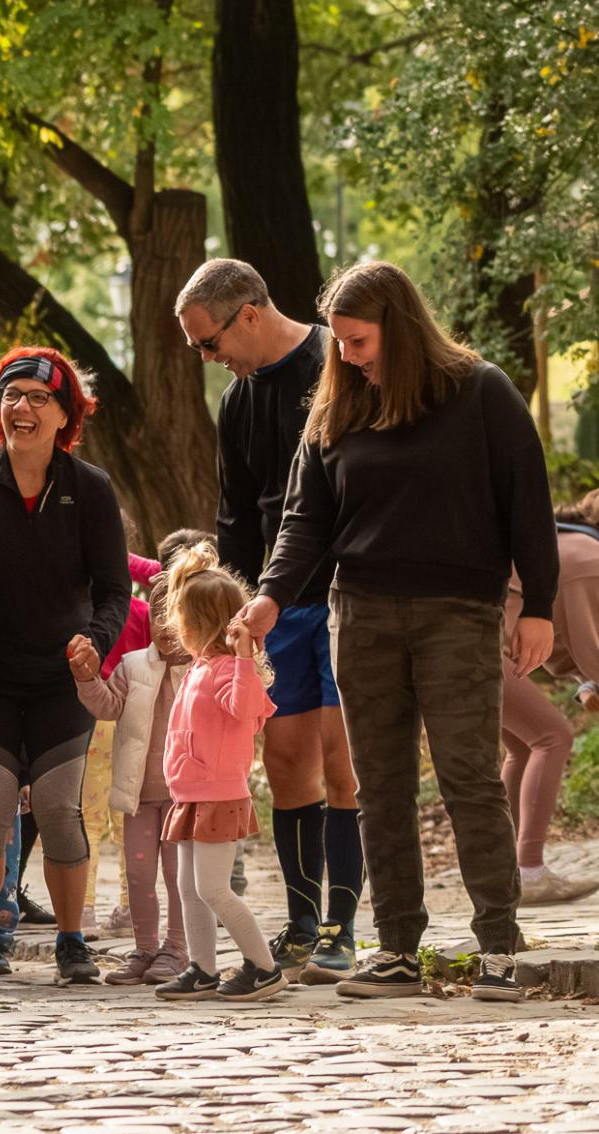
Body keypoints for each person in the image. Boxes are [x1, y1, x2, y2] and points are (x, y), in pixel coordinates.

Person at [238, 260, 558, 1003]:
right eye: (340, 345)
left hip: (458, 612)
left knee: (468, 778)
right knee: (378, 786)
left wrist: (538, 602)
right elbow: (303, 520)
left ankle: (500, 948)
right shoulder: (336, 407)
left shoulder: (480, 391)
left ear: (401, 327)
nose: (345, 357)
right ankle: (398, 949)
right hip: (363, 614)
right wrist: (270, 598)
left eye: (357, 341)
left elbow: (527, 499)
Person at [177, 258, 363, 981]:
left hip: (348, 595)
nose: (208, 359)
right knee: (287, 764)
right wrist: (236, 607)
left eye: (209, 343)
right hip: (274, 606)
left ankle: (343, 930)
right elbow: (237, 509)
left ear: (248, 313)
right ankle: (301, 921)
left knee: (343, 764)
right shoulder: (238, 400)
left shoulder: (335, 364)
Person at [0, 347, 131, 988]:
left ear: (64, 413)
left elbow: (114, 589)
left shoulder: (89, 487)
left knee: (56, 807)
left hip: (59, 681)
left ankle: (73, 945)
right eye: (11, 396)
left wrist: (94, 643)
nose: (21, 407)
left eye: (37, 398)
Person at [151, 547, 286, 1002]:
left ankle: (264, 967)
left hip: (219, 795)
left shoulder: (232, 670)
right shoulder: (199, 669)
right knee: (188, 888)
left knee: (212, 887)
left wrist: (245, 655)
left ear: (198, 624)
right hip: (190, 794)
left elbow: (245, 709)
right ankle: (202, 968)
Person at [74, 571, 190, 985]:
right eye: (158, 615)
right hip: (139, 794)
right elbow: (107, 707)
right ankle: (145, 948)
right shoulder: (132, 665)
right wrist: (88, 679)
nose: (165, 626)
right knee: (140, 876)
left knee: (178, 877)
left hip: (183, 798)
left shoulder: (201, 671)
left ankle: (177, 949)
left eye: (174, 615)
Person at [500, 516, 599, 903]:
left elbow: (568, 643)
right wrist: (589, 679)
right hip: (479, 647)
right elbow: (586, 646)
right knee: (552, 736)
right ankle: (529, 871)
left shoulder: (567, 542)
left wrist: (587, 683)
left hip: (476, 646)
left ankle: (507, 871)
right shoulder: (589, 560)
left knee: (526, 746)